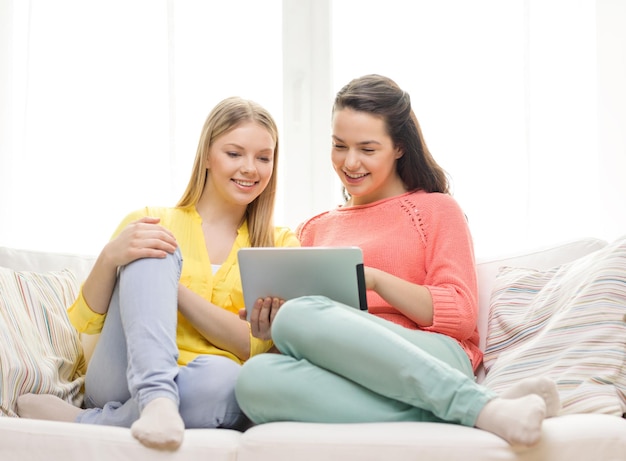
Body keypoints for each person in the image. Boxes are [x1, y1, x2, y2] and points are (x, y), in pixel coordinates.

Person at [235, 74, 561, 447]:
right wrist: (270, 324)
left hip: (431, 355)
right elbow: (309, 336)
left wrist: (374, 281)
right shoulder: (312, 229)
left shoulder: (435, 210)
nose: (350, 162)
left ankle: (463, 400)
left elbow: (460, 313)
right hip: (346, 369)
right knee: (253, 379)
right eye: (339, 146)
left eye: (367, 149)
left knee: (300, 313)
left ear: (399, 148)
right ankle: (482, 409)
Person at [16, 96, 299, 451]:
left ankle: (89, 420)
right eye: (234, 153)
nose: (250, 168)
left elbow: (250, 345)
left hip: (208, 384)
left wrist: (174, 292)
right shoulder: (152, 218)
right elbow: (88, 322)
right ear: (208, 155)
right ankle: (155, 396)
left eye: (263, 157)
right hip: (122, 375)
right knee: (154, 245)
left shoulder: (280, 244)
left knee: (229, 379)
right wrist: (110, 257)